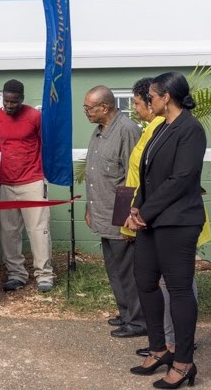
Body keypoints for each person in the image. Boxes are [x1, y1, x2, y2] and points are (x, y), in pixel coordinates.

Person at [125, 72, 206, 389]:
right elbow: (146, 174)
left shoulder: (191, 130)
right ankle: (160, 349)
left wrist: (144, 212)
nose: (149, 101)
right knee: (144, 281)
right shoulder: (161, 127)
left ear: (165, 98)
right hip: (151, 221)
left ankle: (184, 362)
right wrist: (135, 208)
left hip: (178, 222)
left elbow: (181, 179)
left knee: (179, 290)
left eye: (153, 96)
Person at [83, 85, 145, 339]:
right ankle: (126, 312)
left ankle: (138, 320)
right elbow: (95, 174)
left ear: (104, 107)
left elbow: (134, 178)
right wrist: (89, 207)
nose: (85, 112)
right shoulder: (99, 132)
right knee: (114, 268)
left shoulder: (127, 130)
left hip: (120, 216)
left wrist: (128, 218)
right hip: (101, 213)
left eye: (89, 108)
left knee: (128, 270)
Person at [0, 79, 54, 293]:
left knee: (38, 230)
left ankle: (44, 275)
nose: (9, 105)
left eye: (14, 102)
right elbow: (0, 145)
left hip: (33, 180)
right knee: (9, 232)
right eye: (6, 101)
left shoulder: (35, 117)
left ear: (22, 99)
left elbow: (45, 144)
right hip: (7, 182)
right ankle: (16, 275)